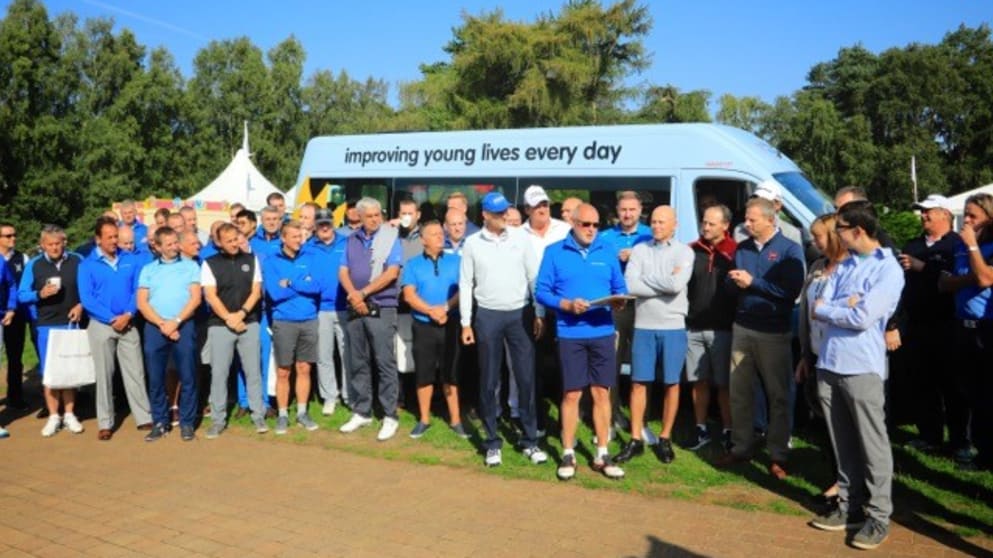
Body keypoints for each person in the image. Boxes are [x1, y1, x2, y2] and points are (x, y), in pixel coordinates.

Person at [808, 201, 903, 551]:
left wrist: (838, 308)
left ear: (858, 231)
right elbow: (820, 305)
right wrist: (840, 306)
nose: (837, 236)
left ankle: (878, 516)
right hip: (830, 363)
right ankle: (849, 507)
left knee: (872, 445)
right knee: (842, 442)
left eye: (841, 229)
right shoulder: (846, 264)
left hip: (862, 366)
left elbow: (863, 317)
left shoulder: (888, 270)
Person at [536, 203, 628, 479]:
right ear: (573, 224)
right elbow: (541, 292)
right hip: (570, 333)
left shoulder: (607, 250)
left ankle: (602, 452)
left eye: (596, 225)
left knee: (602, 393)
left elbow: (619, 287)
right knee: (572, 394)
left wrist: (620, 300)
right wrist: (564, 304)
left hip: (601, 331)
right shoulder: (554, 252)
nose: (591, 230)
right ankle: (568, 452)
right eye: (585, 224)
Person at [718, 197, 804, 479]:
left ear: (770, 220)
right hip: (743, 327)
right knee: (740, 391)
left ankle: (778, 453)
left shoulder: (789, 250)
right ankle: (742, 446)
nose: (747, 223)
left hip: (774, 331)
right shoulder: (742, 249)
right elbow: (730, 286)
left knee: (778, 395)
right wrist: (732, 283)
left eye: (753, 219)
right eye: (746, 218)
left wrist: (752, 283)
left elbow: (790, 292)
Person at [460, 192, 547, 467]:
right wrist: (465, 322)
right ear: (485, 215)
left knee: (525, 378)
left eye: (506, 213)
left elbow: (534, 276)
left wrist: (540, 312)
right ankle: (491, 442)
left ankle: (530, 440)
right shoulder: (472, 243)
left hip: (520, 314)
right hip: (487, 316)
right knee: (488, 380)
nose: (505, 218)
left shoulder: (520, 237)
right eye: (498, 214)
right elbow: (465, 284)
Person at [613, 206, 694, 464]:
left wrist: (648, 279)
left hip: (673, 326)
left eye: (662, 222)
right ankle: (636, 438)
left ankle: (665, 437)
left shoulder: (685, 251)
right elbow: (630, 285)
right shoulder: (640, 249)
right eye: (654, 222)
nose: (657, 226)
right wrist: (662, 281)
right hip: (644, 325)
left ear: (674, 224)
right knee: (639, 382)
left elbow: (676, 285)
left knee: (671, 383)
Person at [898, 194, 966, 456]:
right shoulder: (912, 244)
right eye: (923, 212)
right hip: (917, 324)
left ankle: (960, 440)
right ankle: (930, 435)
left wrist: (922, 267)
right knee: (922, 383)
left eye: (929, 212)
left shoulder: (956, 245)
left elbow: (956, 280)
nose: (924, 216)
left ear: (945, 215)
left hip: (948, 324)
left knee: (953, 386)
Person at [78, 217, 153, 441]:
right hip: (101, 325)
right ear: (98, 239)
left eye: (115, 237)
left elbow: (137, 291)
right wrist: (112, 318)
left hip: (128, 323)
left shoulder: (130, 260)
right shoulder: (87, 265)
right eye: (109, 237)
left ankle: (143, 416)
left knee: (136, 371)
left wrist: (129, 314)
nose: (114, 241)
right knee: (104, 375)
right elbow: (88, 299)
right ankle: (105, 422)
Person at [337, 197, 404, 441]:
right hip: (355, 306)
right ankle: (362, 411)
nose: (375, 219)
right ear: (360, 217)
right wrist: (354, 295)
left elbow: (392, 273)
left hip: (381, 306)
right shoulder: (351, 239)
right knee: (358, 360)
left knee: (384, 361)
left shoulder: (391, 237)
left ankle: (389, 415)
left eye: (378, 215)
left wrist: (363, 293)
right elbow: (343, 270)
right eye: (370, 216)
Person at [795, 213, 849, 504]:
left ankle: (847, 485)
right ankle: (836, 478)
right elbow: (806, 313)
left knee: (843, 424)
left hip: (840, 358)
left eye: (818, 236)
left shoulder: (850, 268)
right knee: (825, 423)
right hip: (815, 355)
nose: (813, 241)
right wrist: (804, 355)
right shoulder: (817, 267)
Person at [939, 192, 993, 473]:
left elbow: (986, 278)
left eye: (974, 216)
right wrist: (971, 278)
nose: (967, 221)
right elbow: (944, 284)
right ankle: (977, 451)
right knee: (968, 392)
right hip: (961, 326)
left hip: (987, 327)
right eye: (966, 215)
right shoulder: (959, 247)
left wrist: (973, 250)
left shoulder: (982, 245)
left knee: (988, 394)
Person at [401, 221, 467, 439]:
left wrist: (446, 308)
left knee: (452, 373)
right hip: (424, 326)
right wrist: (430, 310)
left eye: (441, 233)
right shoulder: (412, 265)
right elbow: (409, 295)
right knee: (424, 373)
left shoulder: (457, 261)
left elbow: (464, 289)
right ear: (423, 239)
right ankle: (424, 419)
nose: (440, 237)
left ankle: (456, 420)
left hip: (450, 323)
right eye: (434, 234)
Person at [201, 223, 268, 437]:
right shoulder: (210, 263)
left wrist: (241, 314)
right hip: (220, 326)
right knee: (219, 373)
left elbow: (256, 291)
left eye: (236, 239)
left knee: (253, 371)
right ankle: (218, 419)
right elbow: (211, 296)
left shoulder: (251, 259)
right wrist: (230, 318)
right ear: (219, 242)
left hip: (249, 322)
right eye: (228, 241)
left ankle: (258, 415)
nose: (233, 244)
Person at [17, 225, 85, 437]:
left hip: (71, 323)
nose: (54, 248)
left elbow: (88, 288)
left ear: (64, 242)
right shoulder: (35, 265)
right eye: (50, 244)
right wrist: (39, 294)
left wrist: (81, 305)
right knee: (49, 373)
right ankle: (54, 416)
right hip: (46, 323)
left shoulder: (77, 260)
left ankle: (70, 414)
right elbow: (21, 294)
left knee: (69, 371)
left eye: (58, 243)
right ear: (43, 245)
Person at [137, 226, 202, 442]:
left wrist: (176, 322)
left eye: (176, 242)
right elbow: (142, 303)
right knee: (156, 377)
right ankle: (160, 422)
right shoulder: (148, 270)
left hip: (183, 324)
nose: (175, 247)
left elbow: (195, 299)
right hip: (156, 327)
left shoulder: (191, 266)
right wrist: (162, 324)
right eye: (170, 244)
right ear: (157, 246)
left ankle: (187, 422)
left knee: (188, 375)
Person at [683, 204, 737, 452]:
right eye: (704, 222)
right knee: (698, 381)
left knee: (724, 384)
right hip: (693, 327)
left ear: (725, 226)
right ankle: (700, 428)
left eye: (711, 223)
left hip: (722, 328)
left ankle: (728, 430)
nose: (705, 227)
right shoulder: (692, 250)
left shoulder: (735, 252)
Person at [598, 191, 653, 432]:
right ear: (617, 211)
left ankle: (641, 421)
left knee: (643, 364)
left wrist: (637, 256)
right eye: (623, 210)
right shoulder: (605, 237)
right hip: (617, 306)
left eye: (632, 209)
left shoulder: (651, 235)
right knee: (612, 361)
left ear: (640, 210)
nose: (628, 214)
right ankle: (610, 416)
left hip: (645, 306)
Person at [263, 221, 322, 435]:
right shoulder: (271, 261)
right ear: (284, 238)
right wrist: (301, 283)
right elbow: (274, 293)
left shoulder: (311, 257)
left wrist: (290, 283)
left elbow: (316, 286)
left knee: (304, 368)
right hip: (284, 320)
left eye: (302, 236)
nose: (300, 240)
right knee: (283, 371)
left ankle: (302, 412)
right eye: (295, 236)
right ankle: (282, 414)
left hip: (308, 319)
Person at [302, 208, 350, 415]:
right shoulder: (308, 246)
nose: (324, 227)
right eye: (320, 223)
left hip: (345, 307)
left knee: (348, 354)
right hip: (320, 308)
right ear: (315, 226)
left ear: (333, 223)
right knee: (323, 355)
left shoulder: (347, 243)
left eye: (327, 223)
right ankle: (330, 396)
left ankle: (350, 395)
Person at [0, 222, 30, 411]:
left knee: (15, 357)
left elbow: (21, 285)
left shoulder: (22, 258)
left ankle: (15, 396)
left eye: (14, 235)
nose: (13, 238)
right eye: (8, 236)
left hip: (16, 315)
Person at [732, 180, 803, 247]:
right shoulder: (739, 230)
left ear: (777, 205)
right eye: (755, 199)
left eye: (765, 202)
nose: (758, 204)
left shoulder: (791, 233)